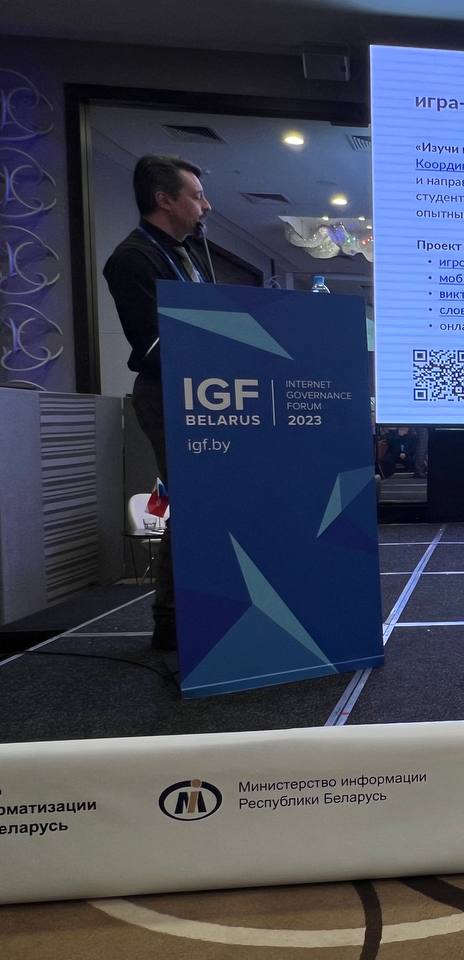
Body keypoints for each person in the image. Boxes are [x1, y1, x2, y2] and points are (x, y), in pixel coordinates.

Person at [103, 155, 212, 651]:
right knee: (192, 501)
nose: (206, 206)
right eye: (197, 196)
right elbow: (150, 344)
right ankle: (171, 620)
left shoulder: (186, 254)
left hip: (206, 392)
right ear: (164, 200)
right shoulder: (133, 258)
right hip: (168, 393)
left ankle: (200, 606)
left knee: (206, 501)